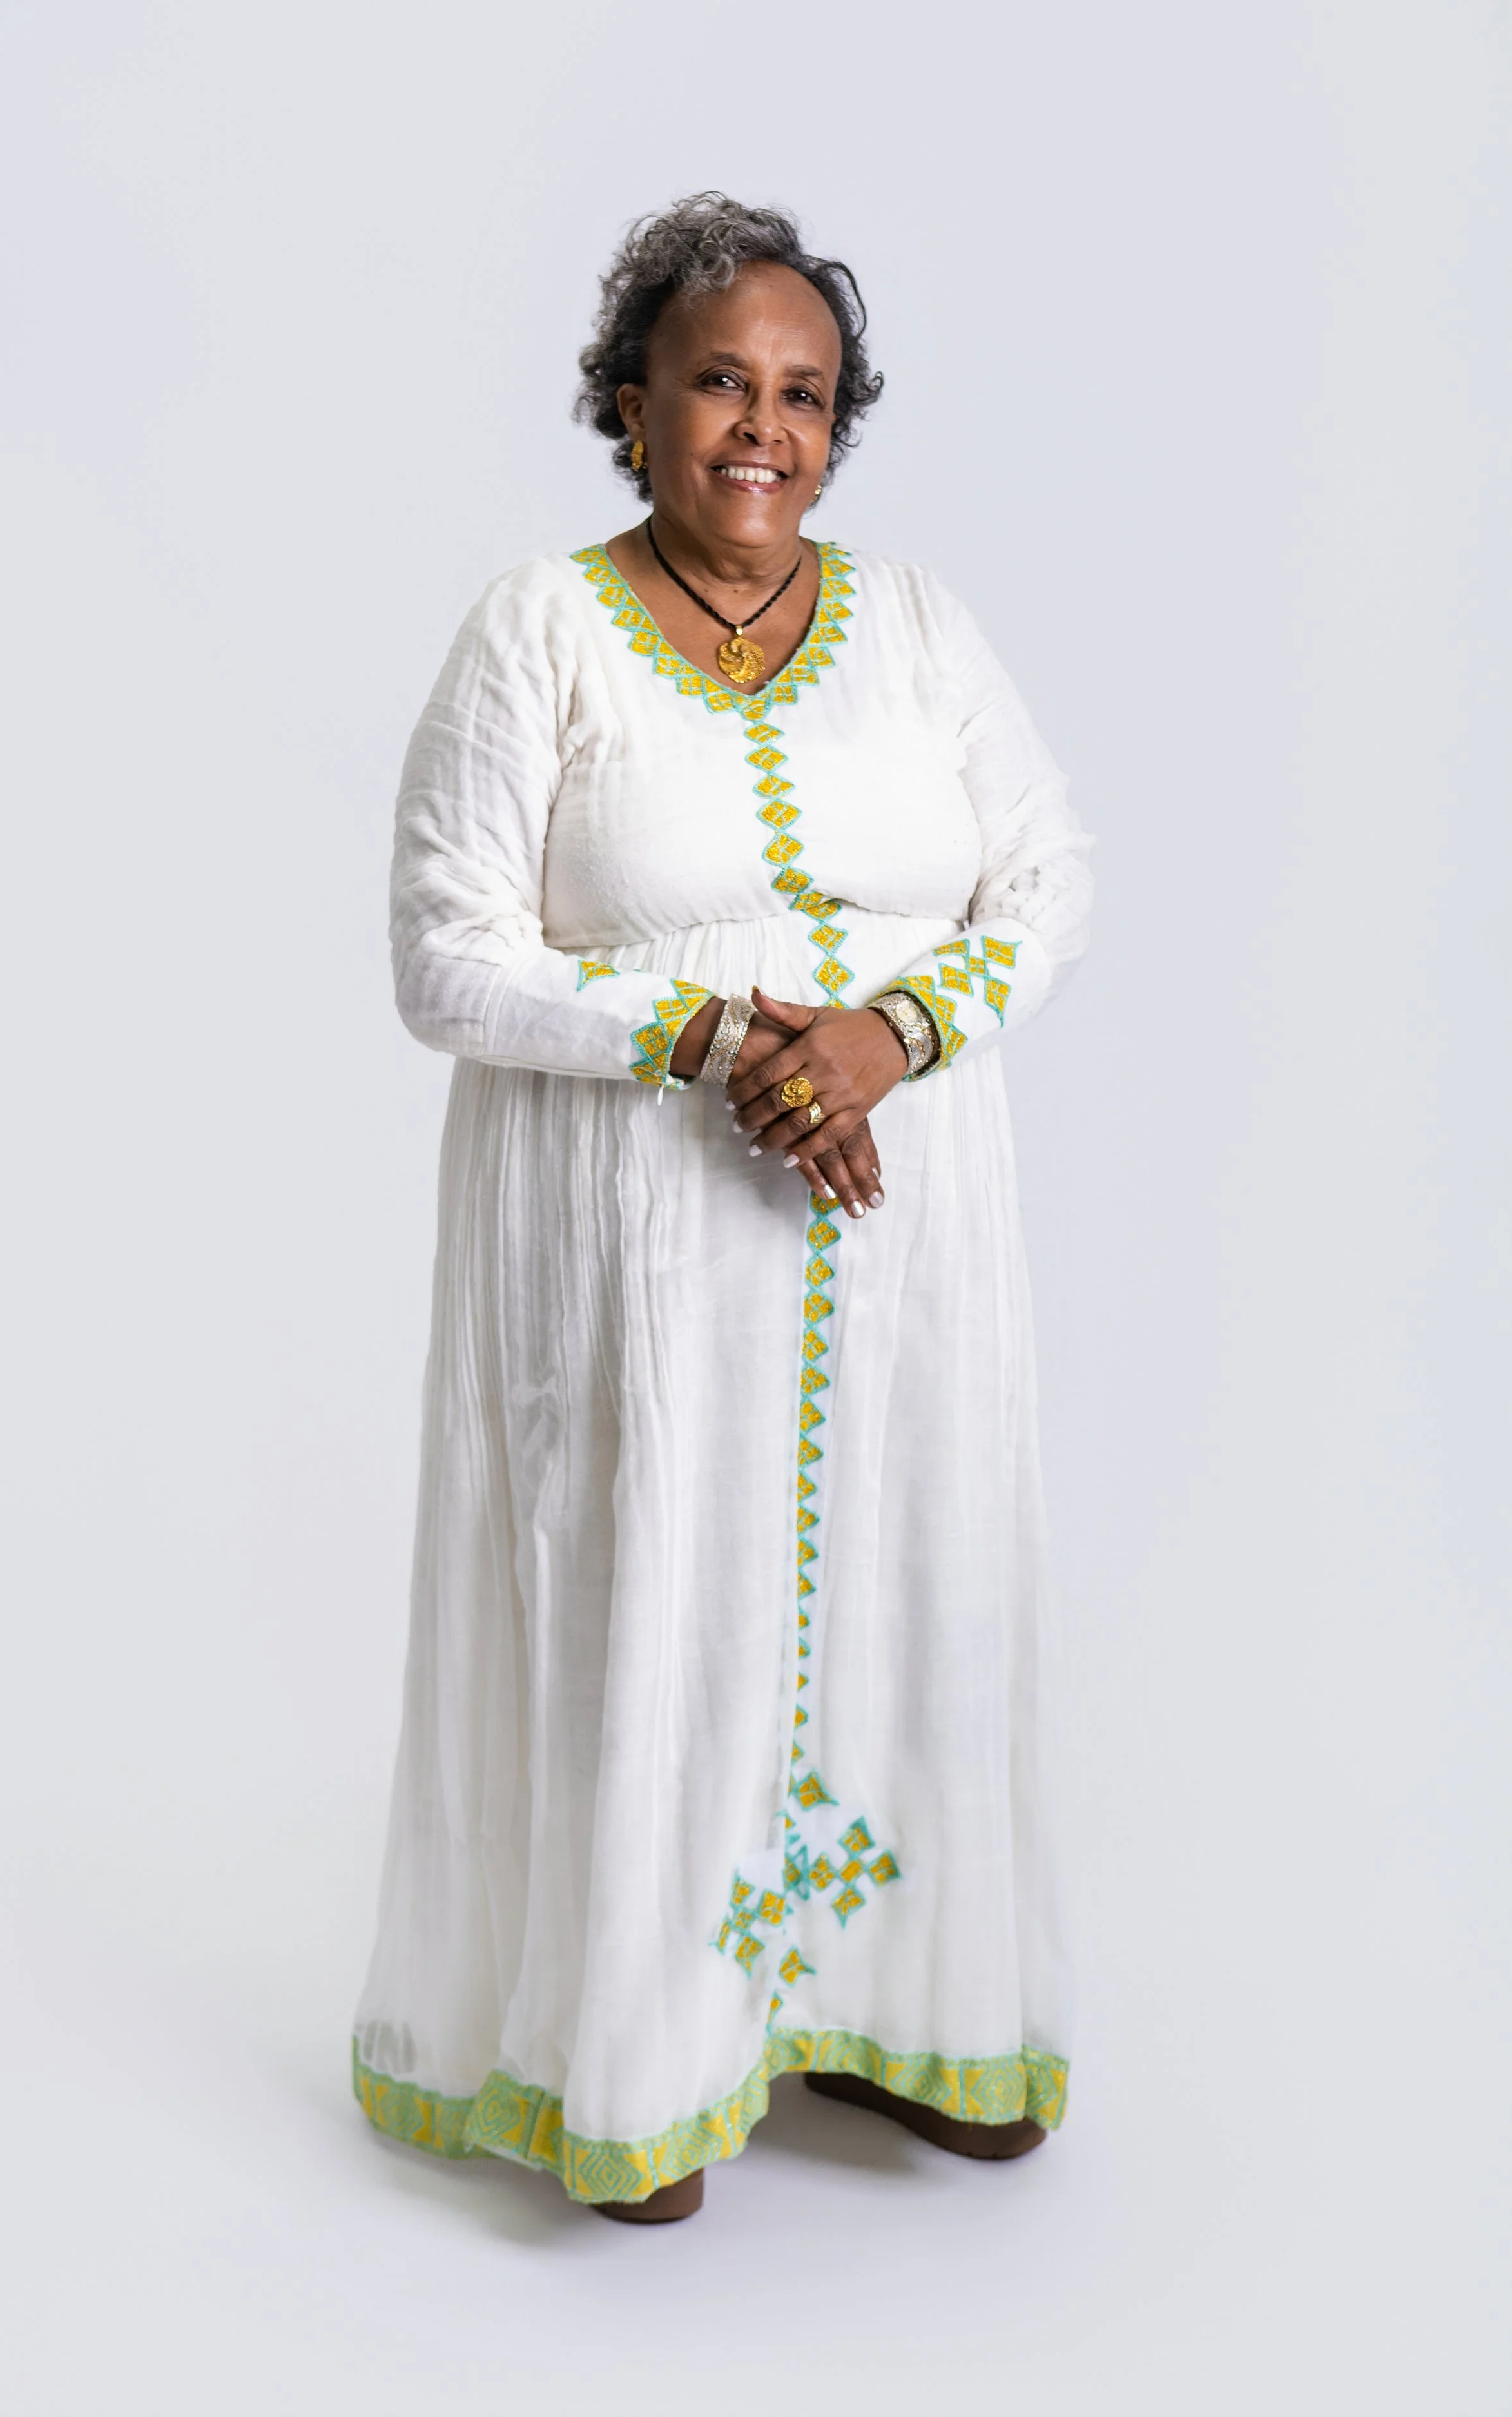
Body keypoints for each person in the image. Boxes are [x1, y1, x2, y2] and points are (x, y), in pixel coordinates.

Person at [353, 194, 1093, 2222]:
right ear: (629, 402)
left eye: (804, 395)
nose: (761, 430)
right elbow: (443, 956)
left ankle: (890, 2004)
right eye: (717, 383)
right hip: (640, 1256)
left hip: (905, 1239)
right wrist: (703, 1037)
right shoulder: (533, 629)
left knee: (907, 1583)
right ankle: (639, 2045)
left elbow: (1047, 880)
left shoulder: (925, 626)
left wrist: (894, 1030)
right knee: (651, 1592)